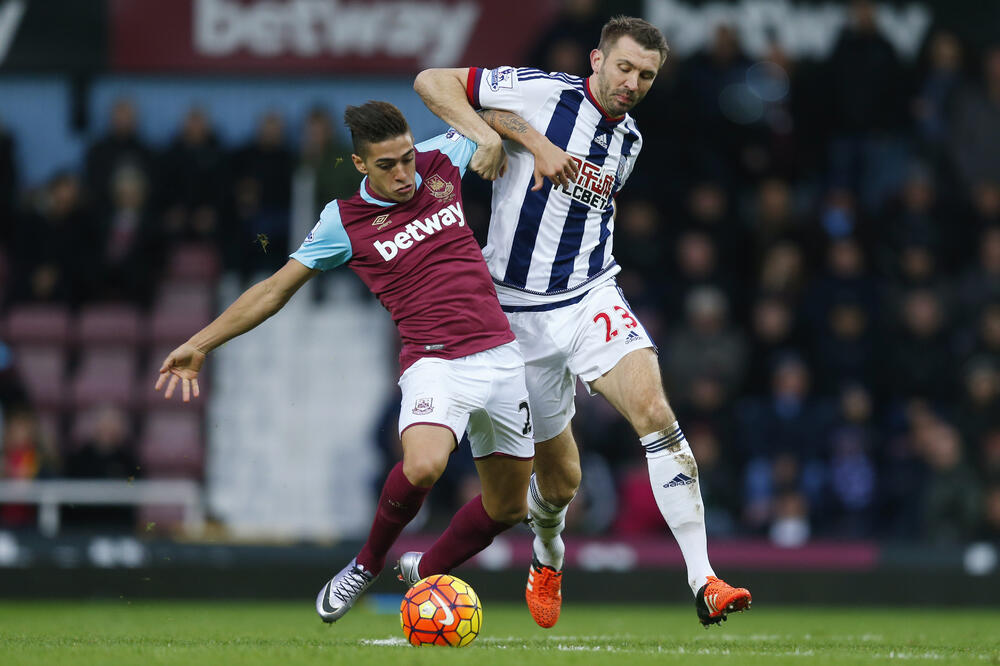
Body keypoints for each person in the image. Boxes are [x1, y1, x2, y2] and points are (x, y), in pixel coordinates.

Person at [413, 15, 751, 627]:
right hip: (514, 316)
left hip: (590, 296)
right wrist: (496, 138)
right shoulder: (543, 92)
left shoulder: (631, 143)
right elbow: (433, 81)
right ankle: (548, 555)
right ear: (596, 61)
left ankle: (705, 580)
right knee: (561, 484)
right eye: (624, 67)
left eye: (646, 75)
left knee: (655, 411)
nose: (633, 82)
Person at [155, 101, 535, 623]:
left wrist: (522, 142)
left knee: (510, 508)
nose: (404, 174)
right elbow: (273, 290)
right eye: (387, 166)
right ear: (360, 165)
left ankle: (424, 571)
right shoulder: (343, 221)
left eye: (406, 158)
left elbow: (501, 109)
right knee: (424, 464)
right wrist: (200, 343)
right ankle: (365, 563)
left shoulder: (444, 155)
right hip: (434, 362)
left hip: (500, 353)